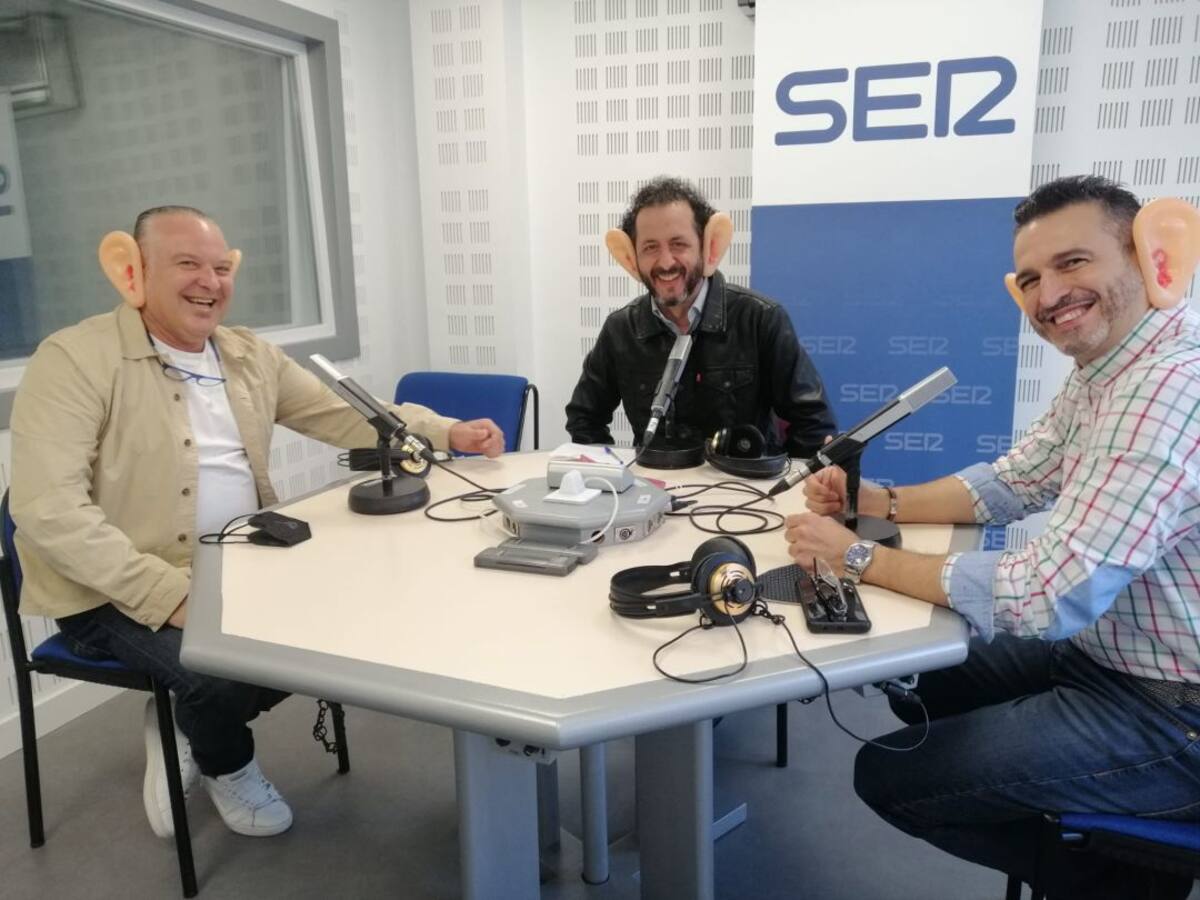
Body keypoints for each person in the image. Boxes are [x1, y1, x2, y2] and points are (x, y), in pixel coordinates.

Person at [8, 206, 504, 839]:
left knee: (345, 622)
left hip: (235, 559)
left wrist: (445, 430)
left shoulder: (247, 355)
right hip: (109, 590)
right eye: (187, 264)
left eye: (221, 268)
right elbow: (47, 507)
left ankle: (186, 720)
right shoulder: (74, 359)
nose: (209, 282)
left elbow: (342, 413)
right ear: (134, 272)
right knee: (213, 671)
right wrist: (167, 593)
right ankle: (226, 758)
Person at [783, 175, 1200, 899]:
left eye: (1073, 263)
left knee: (888, 774)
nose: (1049, 295)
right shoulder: (1106, 370)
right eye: (1031, 279)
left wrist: (855, 556)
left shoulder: (1166, 391)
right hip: (1102, 654)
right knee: (918, 677)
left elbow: (1046, 594)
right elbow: (1015, 481)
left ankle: (1120, 876)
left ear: (1144, 257)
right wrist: (874, 501)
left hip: (1170, 712)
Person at [565, 176, 836, 458]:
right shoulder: (620, 330)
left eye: (678, 244)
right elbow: (584, 419)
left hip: (742, 484)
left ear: (708, 247)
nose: (666, 262)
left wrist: (779, 480)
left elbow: (813, 426)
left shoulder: (760, 319)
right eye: (650, 247)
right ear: (632, 258)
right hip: (653, 484)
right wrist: (613, 472)